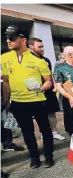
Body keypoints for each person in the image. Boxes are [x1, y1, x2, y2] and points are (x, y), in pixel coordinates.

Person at [1, 25, 55, 169]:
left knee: (45, 129)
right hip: (18, 103)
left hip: (38, 101)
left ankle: (49, 156)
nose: (8, 41)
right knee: (27, 131)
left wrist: (41, 88)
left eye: (12, 38)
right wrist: (6, 102)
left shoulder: (39, 60)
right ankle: (34, 157)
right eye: (7, 38)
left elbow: (49, 81)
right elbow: (5, 82)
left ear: (23, 40)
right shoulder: (4, 58)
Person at [28, 38, 65, 141]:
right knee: (40, 114)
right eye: (39, 47)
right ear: (31, 47)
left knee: (52, 112)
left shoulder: (46, 60)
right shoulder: (27, 60)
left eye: (42, 46)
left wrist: (55, 86)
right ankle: (44, 133)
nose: (42, 48)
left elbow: (50, 74)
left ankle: (54, 132)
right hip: (35, 93)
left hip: (48, 91)